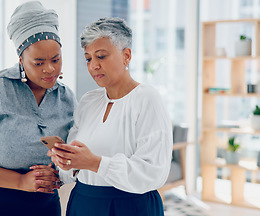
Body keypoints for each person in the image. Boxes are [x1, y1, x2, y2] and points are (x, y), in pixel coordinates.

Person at [0, 1, 77, 216]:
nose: (50, 69)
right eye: (38, 62)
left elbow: (67, 155)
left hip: (41, 202)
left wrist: (58, 171)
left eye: (56, 60)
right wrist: (20, 181)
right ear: (21, 59)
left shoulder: (66, 98)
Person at [47, 17, 173, 215]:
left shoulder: (146, 98)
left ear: (126, 56)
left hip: (130, 206)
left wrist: (95, 163)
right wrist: (66, 161)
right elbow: (73, 168)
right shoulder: (88, 101)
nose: (93, 65)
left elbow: (153, 172)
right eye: (88, 58)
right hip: (83, 202)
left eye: (101, 56)